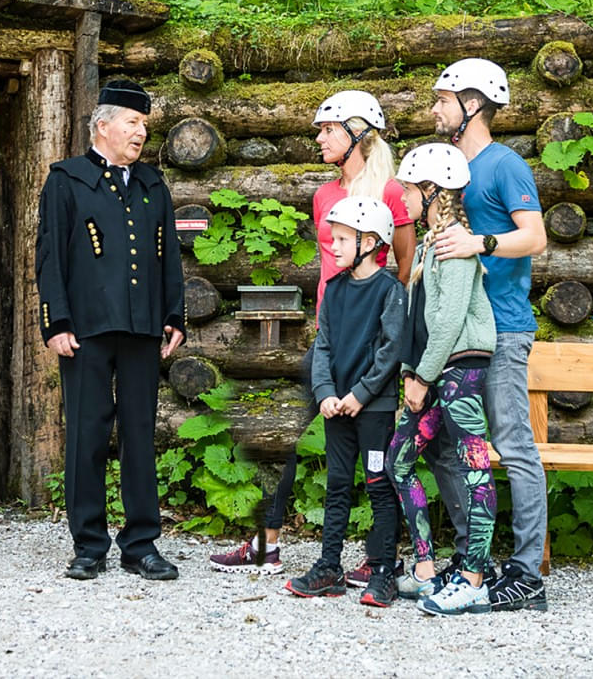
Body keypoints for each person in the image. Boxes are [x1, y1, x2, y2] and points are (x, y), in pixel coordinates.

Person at [209, 90, 413, 583]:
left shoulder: (390, 191)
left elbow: (404, 267)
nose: (319, 138)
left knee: (377, 454)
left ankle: (379, 557)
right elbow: (328, 272)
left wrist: (385, 345)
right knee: (286, 437)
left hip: (376, 344)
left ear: (358, 133)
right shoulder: (325, 195)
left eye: (328, 129)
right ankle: (268, 543)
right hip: (330, 337)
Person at [36, 79, 186, 582]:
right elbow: (50, 257)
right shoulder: (66, 180)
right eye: (132, 122)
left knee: (140, 435)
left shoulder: (152, 185)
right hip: (86, 332)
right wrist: (55, 322)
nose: (141, 132)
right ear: (103, 125)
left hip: (143, 328)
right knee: (87, 435)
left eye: (144, 124)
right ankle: (89, 544)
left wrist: (174, 315)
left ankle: (140, 545)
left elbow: (168, 258)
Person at [428, 58, 550, 612]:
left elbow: (536, 237)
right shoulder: (448, 164)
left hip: (503, 327)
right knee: (448, 446)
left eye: (442, 99)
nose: (433, 109)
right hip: (461, 329)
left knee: (512, 445)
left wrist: (481, 243)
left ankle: (527, 574)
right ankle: (475, 556)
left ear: (471, 104)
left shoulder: (505, 166)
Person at [387, 143, 498, 617]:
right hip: (439, 373)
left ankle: (475, 577)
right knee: (400, 457)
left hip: (463, 371)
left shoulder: (453, 244)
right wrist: (417, 373)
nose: (405, 200)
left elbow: (451, 320)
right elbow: (426, 322)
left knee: (476, 467)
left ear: (432, 191)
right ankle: (428, 566)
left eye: (410, 190)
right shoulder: (434, 242)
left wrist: (421, 378)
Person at [284, 197, 406, 607]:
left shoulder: (390, 291)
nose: (331, 247)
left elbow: (391, 351)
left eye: (340, 239)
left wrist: (361, 394)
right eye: (331, 238)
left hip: (373, 409)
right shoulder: (333, 291)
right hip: (337, 407)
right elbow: (323, 346)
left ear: (370, 242)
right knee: (337, 484)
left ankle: (384, 570)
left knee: (378, 483)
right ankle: (329, 567)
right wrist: (326, 394)